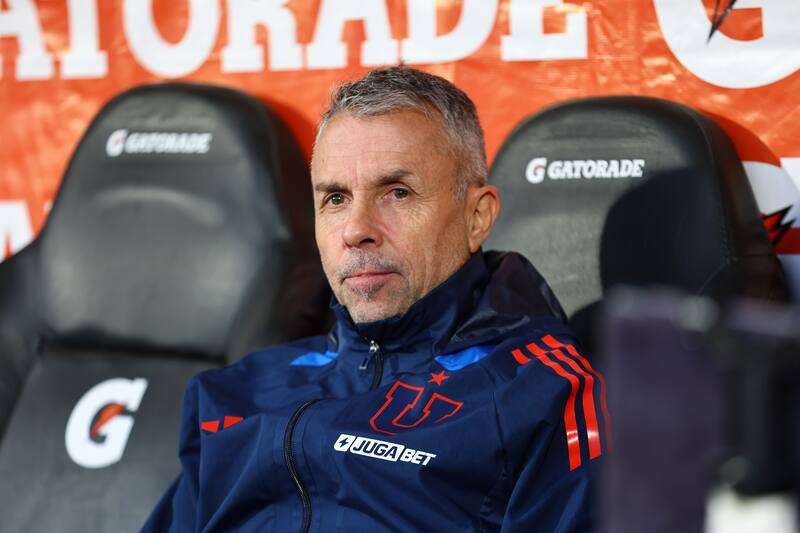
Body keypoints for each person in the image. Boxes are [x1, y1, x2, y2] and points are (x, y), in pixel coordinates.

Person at [143, 66, 609, 532]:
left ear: (477, 217)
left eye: (397, 193)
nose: (357, 230)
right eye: (336, 199)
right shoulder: (232, 393)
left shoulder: (546, 397)